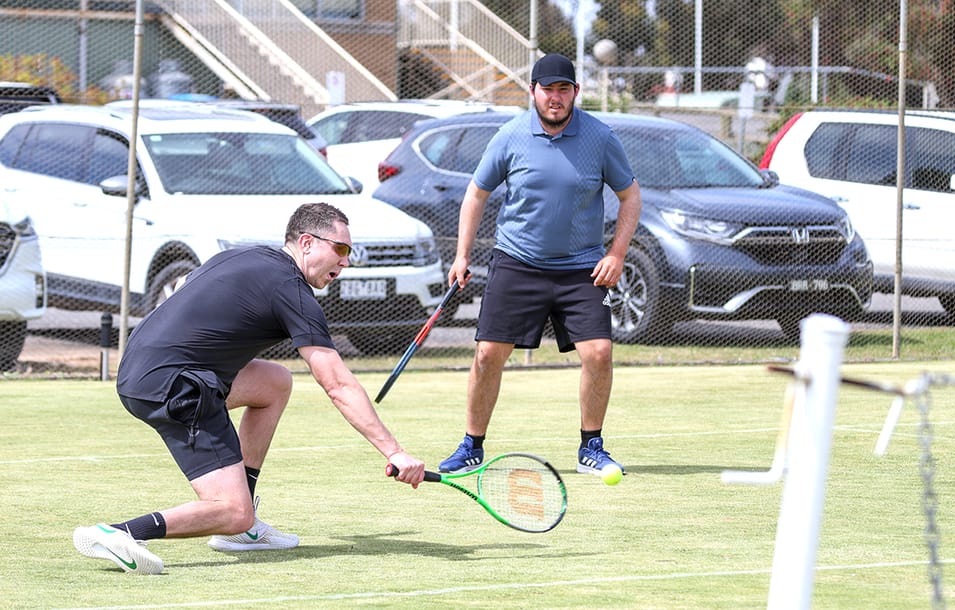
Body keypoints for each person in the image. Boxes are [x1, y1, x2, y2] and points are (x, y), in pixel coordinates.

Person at [73, 202, 425, 574]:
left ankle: (244, 530)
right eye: (340, 249)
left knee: (274, 383)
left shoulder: (249, 257)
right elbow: (336, 383)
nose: (346, 261)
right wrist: (395, 452)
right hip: (171, 384)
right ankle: (119, 533)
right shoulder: (292, 290)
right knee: (232, 511)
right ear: (307, 243)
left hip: (141, 367)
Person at [438, 53, 642, 477]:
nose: (555, 97)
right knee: (487, 355)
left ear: (575, 93)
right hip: (518, 262)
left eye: (563, 89)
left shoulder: (600, 138)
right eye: (547, 89)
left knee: (600, 353)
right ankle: (471, 446)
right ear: (532, 91)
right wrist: (461, 255)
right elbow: (476, 194)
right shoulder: (510, 135)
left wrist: (616, 254)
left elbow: (630, 196)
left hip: (581, 267)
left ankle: (592, 447)